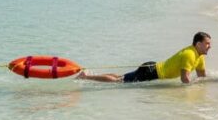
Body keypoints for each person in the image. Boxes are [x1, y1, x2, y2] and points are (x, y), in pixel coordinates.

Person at [77, 32, 211, 84]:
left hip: (152, 68)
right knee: (118, 81)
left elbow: (201, 77)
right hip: (151, 71)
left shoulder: (199, 57)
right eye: (207, 44)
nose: (209, 46)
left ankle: (87, 75)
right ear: (198, 44)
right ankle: (86, 77)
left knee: (120, 77)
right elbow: (185, 79)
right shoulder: (190, 54)